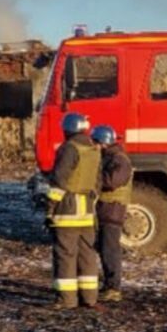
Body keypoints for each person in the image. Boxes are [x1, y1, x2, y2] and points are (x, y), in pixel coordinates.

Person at [43, 113, 102, 310]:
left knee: (66, 254)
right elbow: (98, 182)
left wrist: (50, 207)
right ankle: (90, 298)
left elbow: (59, 180)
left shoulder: (69, 149)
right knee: (87, 255)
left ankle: (67, 299)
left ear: (67, 129)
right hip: (87, 209)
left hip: (67, 209)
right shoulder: (94, 149)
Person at [92, 125, 132, 303]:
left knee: (110, 250)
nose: (94, 146)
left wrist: (93, 178)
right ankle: (108, 285)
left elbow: (112, 181)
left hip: (112, 210)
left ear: (104, 143)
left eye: (96, 143)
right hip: (106, 209)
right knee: (103, 248)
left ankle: (113, 287)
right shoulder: (110, 158)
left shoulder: (119, 160)